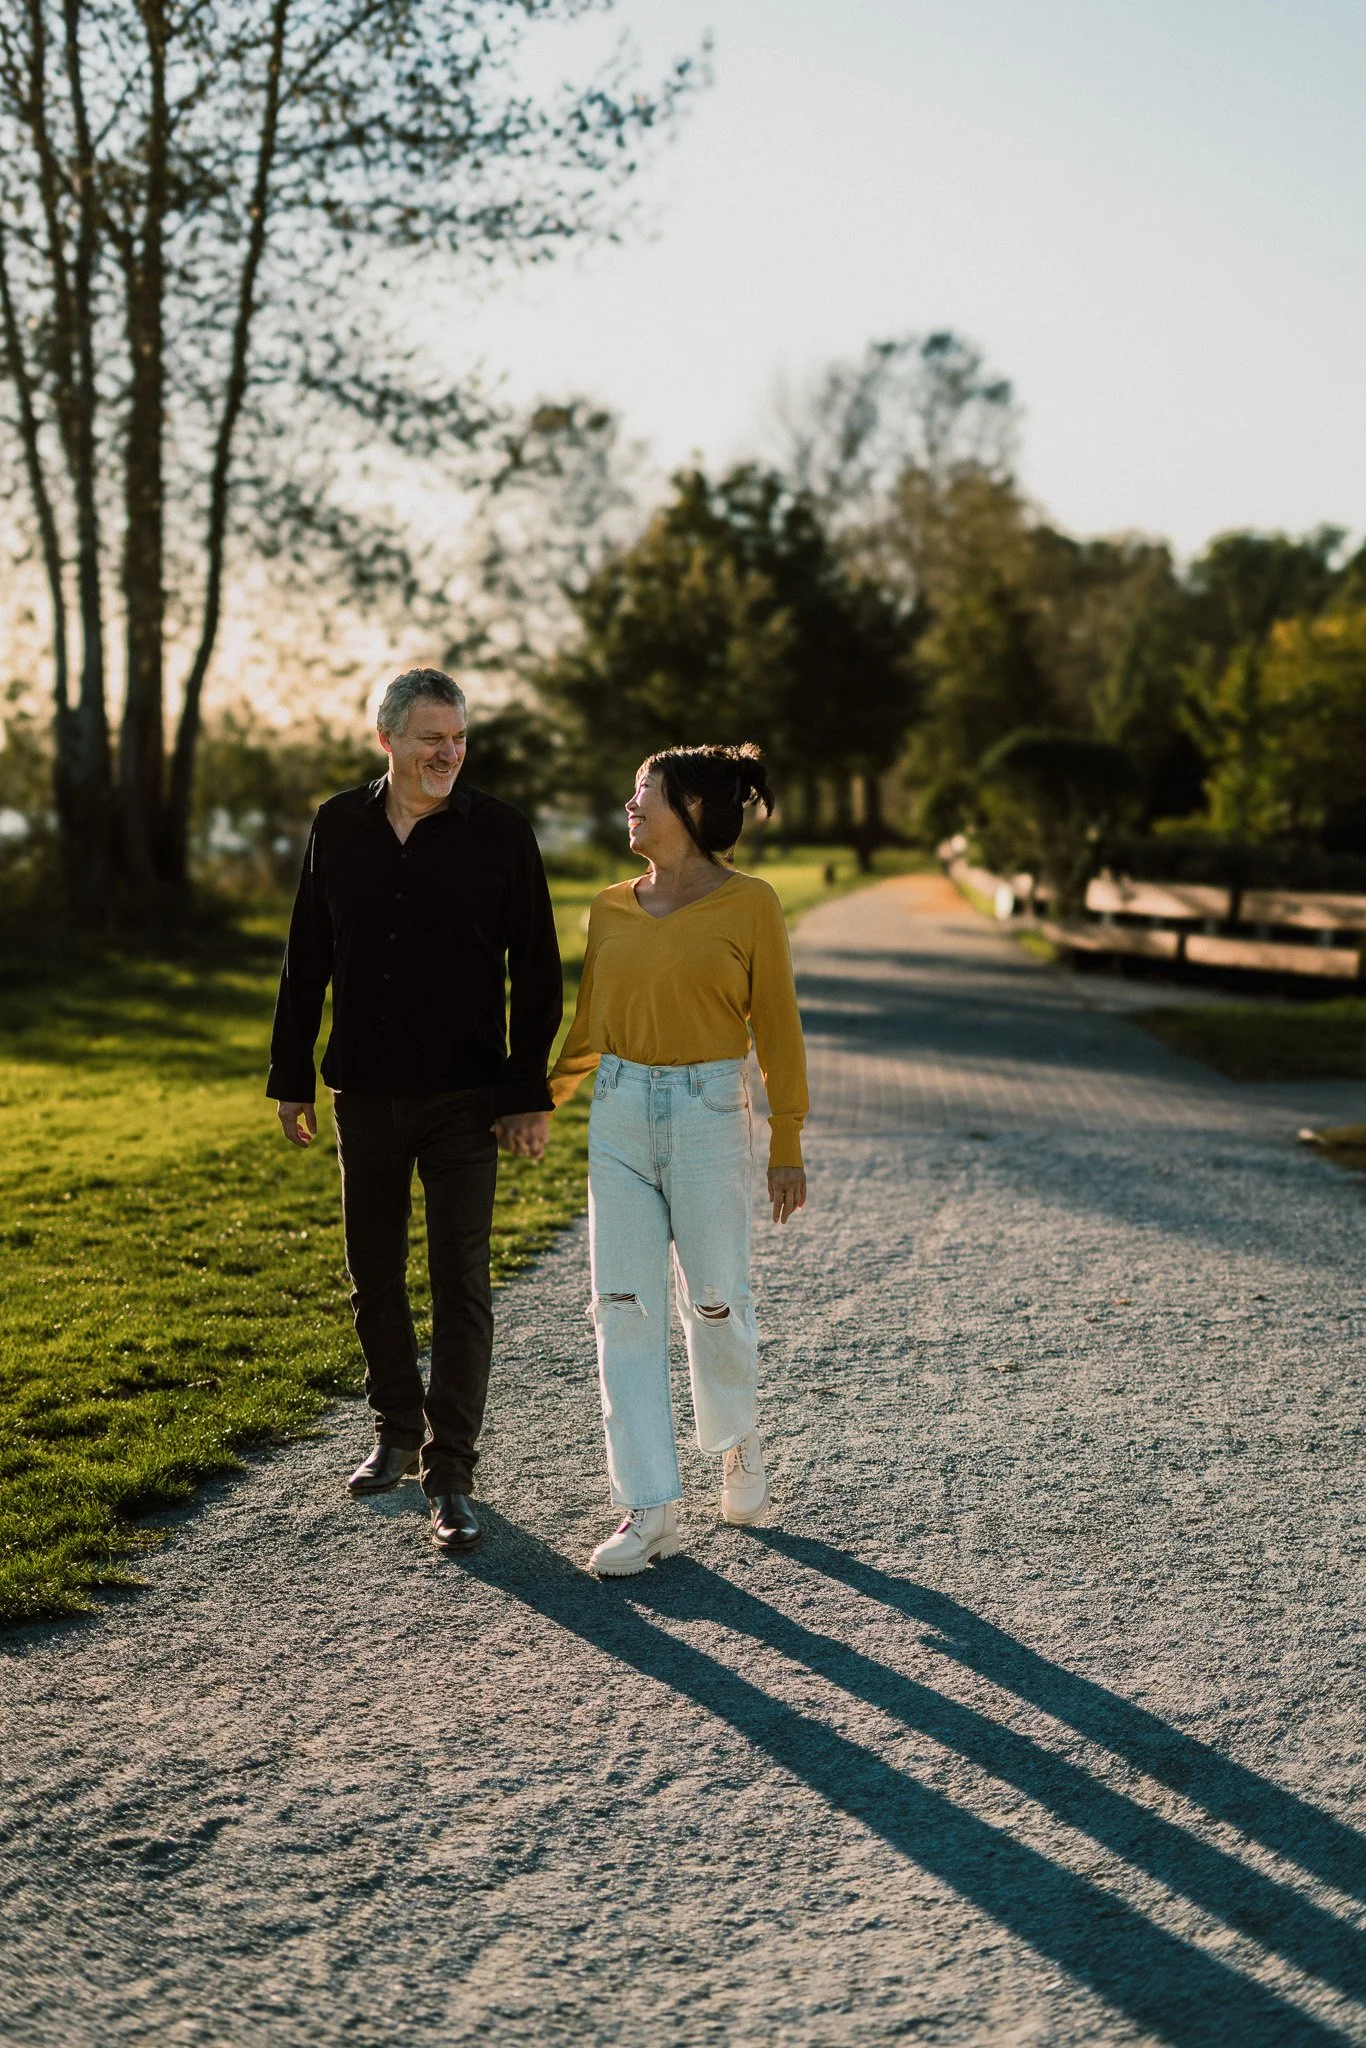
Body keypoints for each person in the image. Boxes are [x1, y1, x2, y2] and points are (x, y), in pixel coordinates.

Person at [267, 667, 562, 1553]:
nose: (450, 753)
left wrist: (522, 1091)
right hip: (364, 1090)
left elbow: (539, 972)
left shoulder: (501, 833)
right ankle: (396, 1428)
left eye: (460, 736)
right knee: (373, 1271)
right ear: (387, 739)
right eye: (433, 737)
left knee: (461, 1281)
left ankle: (453, 1471)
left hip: (466, 1100)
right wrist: (292, 1073)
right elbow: (305, 956)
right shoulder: (336, 825)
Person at [550, 743, 808, 1576]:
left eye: (643, 793)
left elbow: (777, 1029)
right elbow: (589, 1029)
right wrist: (535, 1100)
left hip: (707, 1118)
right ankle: (649, 1508)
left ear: (691, 810)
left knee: (716, 1300)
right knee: (619, 1307)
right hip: (619, 1114)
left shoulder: (751, 906)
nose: (629, 806)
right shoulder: (609, 907)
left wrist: (787, 1142)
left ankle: (736, 1443)